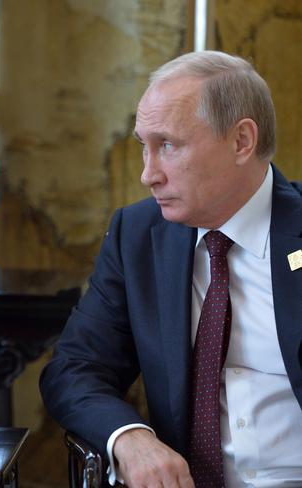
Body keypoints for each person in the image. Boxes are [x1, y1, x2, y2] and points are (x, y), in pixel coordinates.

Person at [40, 50, 302, 488]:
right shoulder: (138, 235)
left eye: (168, 145)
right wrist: (131, 438)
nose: (148, 174)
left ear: (242, 141)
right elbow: (75, 367)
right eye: (144, 146)